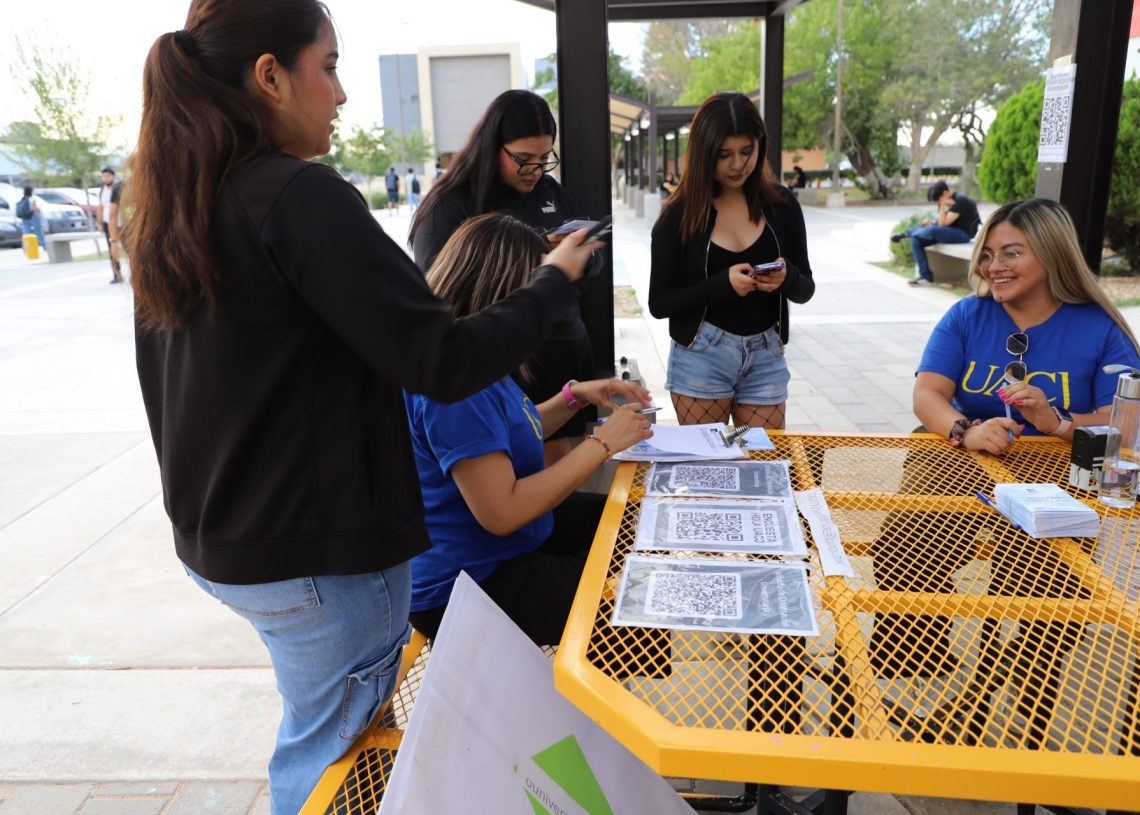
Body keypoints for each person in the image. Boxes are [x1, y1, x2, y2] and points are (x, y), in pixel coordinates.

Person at [124, 3, 601, 813]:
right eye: (330, 66)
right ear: (271, 76)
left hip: (226, 544)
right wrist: (552, 281)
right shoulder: (294, 196)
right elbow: (441, 358)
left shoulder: (181, 201)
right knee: (330, 760)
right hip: (317, 564)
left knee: (336, 739)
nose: (341, 94)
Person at [871, 198, 1140, 683]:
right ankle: (917, 669)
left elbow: (1122, 424)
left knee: (1052, 585)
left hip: (1057, 467)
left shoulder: (1100, 328)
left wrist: (1056, 421)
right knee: (905, 543)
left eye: (1012, 253)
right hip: (963, 456)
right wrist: (966, 429)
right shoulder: (966, 315)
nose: (994, 266)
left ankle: (1022, 679)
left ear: (1053, 254)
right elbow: (928, 394)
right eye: (988, 254)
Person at [406, 213, 654, 644]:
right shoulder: (460, 389)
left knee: (638, 520)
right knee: (641, 596)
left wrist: (573, 397)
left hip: (500, 550)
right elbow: (503, 513)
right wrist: (601, 443)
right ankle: (602, 680)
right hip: (467, 587)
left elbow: (499, 437)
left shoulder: (464, 358)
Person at [409, 89, 598, 465]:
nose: (535, 170)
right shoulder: (450, 205)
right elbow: (445, 295)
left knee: (565, 473)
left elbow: (587, 265)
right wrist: (541, 261)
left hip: (563, 355)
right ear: (492, 146)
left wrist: (579, 257)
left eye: (544, 159)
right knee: (534, 476)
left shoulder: (550, 191)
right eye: (523, 160)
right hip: (505, 363)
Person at [648, 92, 815, 430]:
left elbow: (805, 289)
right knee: (708, 461)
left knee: (764, 459)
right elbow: (659, 303)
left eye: (746, 151)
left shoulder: (782, 205)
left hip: (766, 354)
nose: (737, 164)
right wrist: (720, 286)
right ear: (703, 153)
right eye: (724, 155)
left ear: (760, 146)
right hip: (701, 356)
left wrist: (786, 278)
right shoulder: (679, 215)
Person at [891, 179, 981, 286]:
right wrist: (932, 222)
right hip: (950, 232)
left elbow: (943, 224)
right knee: (916, 240)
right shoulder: (948, 200)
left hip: (963, 234)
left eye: (939, 200)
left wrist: (942, 205)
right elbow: (941, 221)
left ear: (945, 193)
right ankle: (925, 276)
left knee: (932, 230)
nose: (938, 202)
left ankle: (907, 233)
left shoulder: (961, 200)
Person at [97, 167, 124, 283]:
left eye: (108, 176)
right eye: (103, 176)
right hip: (108, 223)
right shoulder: (102, 191)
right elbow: (101, 207)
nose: (105, 178)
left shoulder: (119, 188)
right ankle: (117, 274)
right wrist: (99, 223)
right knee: (111, 249)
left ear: (113, 176)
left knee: (128, 248)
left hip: (121, 222)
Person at [16, 186, 45, 255]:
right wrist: (39, 210)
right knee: (39, 232)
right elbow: (34, 208)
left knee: (26, 232)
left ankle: (25, 248)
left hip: (25, 217)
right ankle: (45, 246)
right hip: (32, 216)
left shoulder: (23, 199)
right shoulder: (32, 198)